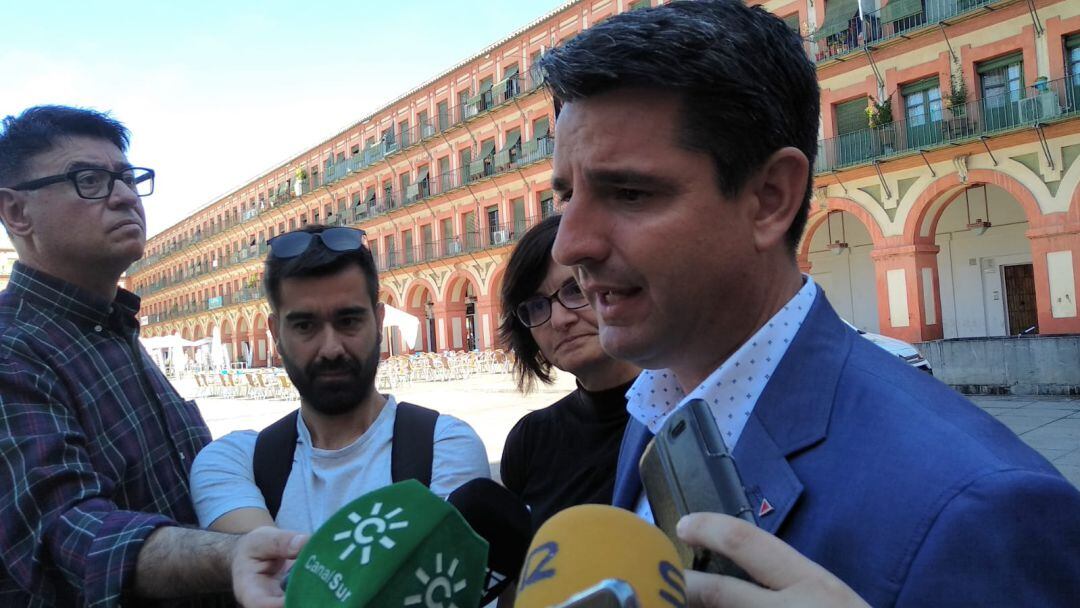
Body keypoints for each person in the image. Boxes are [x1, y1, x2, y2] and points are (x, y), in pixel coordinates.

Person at [541, 2, 1080, 606]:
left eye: (631, 192)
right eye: (565, 195)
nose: (570, 244)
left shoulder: (983, 510)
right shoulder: (655, 409)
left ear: (770, 198)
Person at [0, 105, 304, 607]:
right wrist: (230, 557)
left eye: (127, 178)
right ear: (16, 212)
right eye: (89, 180)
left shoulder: (114, 332)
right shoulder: (13, 350)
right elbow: (64, 531)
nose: (124, 197)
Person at [190, 225, 490, 534]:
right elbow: (266, 560)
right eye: (305, 326)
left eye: (348, 321)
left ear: (379, 321)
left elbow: (286, 576)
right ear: (275, 334)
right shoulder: (232, 461)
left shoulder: (446, 447)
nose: (331, 348)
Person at [498, 215, 640, 531]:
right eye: (536, 306)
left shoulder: (682, 417)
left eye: (574, 290)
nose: (559, 320)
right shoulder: (529, 442)